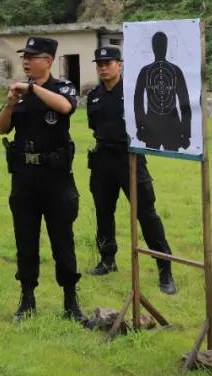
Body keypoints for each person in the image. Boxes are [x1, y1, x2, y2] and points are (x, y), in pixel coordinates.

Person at [0, 36, 84, 323]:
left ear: (48, 61)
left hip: (55, 177)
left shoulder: (62, 87)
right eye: (24, 57)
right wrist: (10, 104)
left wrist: (32, 88)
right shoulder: (19, 93)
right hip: (25, 178)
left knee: (62, 239)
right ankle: (27, 298)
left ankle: (70, 300)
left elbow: (65, 107)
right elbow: (1, 128)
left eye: (32, 57)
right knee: (25, 239)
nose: (26, 62)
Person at [86, 46, 176, 295]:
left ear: (120, 64)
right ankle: (107, 259)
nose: (103, 67)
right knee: (104, 212)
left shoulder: (134, 92)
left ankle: (164, 269)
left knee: (146, 214)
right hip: (103, 158)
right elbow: (94, 126)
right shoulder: (94, 96)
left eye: (108, 63)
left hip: (130, 158)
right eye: (100, 64)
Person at [133, 31, 192, 152]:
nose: (159, 48)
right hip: (152, 124)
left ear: (166, 46)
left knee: (172, 162)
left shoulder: (174, 71)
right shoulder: (147, 71)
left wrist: (185, 132)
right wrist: (141, 126)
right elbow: (137, 101)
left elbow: (184, 102)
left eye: (161, 45)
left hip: (171, 125)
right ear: (153, 47)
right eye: (157, 45)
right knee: (151, 161)